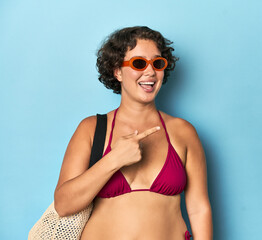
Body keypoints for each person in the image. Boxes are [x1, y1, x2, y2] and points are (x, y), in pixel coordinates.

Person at [53, 26, 213, 240]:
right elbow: (63, 205)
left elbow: (199, 209)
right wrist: (114, 160)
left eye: (157, 63)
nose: (150, 72)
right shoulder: (91, 129)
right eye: (139, 63)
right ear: (117, 71)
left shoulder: (183, 132)